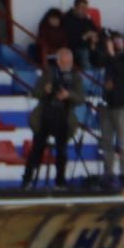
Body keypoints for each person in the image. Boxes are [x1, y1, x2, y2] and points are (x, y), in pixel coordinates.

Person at [22, 48, 84, 189]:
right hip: (45, 115)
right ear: (58, 61)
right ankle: (27, 179)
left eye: (69, 62)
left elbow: (81, 98)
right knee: (36, 149)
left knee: (62, 151)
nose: (67, 65)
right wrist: (46, 90)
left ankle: (60, 181)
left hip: (64, 116)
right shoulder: (47, 74)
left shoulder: (75, 77)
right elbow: (35, 92)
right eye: (64, 62)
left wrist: (68, 95)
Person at [100, 31, 124, 190]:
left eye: (118, 40)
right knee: (106, 142)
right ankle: (108, 173)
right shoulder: (109, 59)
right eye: (114, 40)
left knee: (123, 143)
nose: (116, 43)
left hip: (122, 104)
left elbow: (121, 69)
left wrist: (111, 54)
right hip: (108, 104)